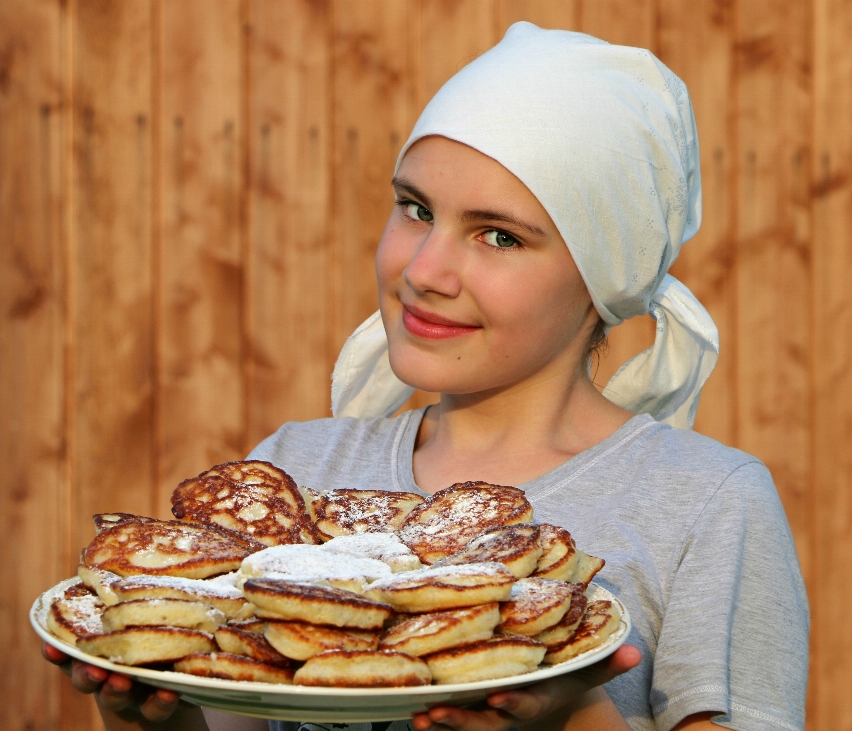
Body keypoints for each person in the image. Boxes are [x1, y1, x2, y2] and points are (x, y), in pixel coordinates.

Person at [44, 23, 809, 731]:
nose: (424, 269)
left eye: (499, 235)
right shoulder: (295, 472)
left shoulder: (706, 504)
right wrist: (154, 713)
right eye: (415, 209)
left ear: (602, 274)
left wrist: (567, 715)